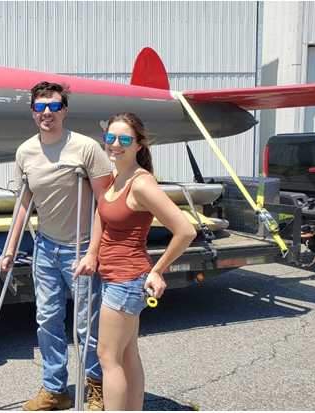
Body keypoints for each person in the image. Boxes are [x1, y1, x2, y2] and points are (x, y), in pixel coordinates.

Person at [0, 81, 113, 411]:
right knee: (47, 319)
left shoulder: (86, 148)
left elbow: (105, 203)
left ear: (64, 110)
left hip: (80, 248)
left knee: (85, 324)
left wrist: (93, 252)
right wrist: (9, 248)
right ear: (32, 111)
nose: (46, 112)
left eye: (53, 106)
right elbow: (24, 202)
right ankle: (55, 389)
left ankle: (96, 387)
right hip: (46, 249)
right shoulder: (25, 152)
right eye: (40, 107)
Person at [83, 112, 196, 410]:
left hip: (126, 281)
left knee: (108, 358)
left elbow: (185, 230)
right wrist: (92, 254)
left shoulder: (141, 184)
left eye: (124, 139)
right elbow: (101, 212)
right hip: (115, 277)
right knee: (127, 355)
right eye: (110, 138)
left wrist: (158, 271)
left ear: (139, 144)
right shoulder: (118, 176)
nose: (115, 144)